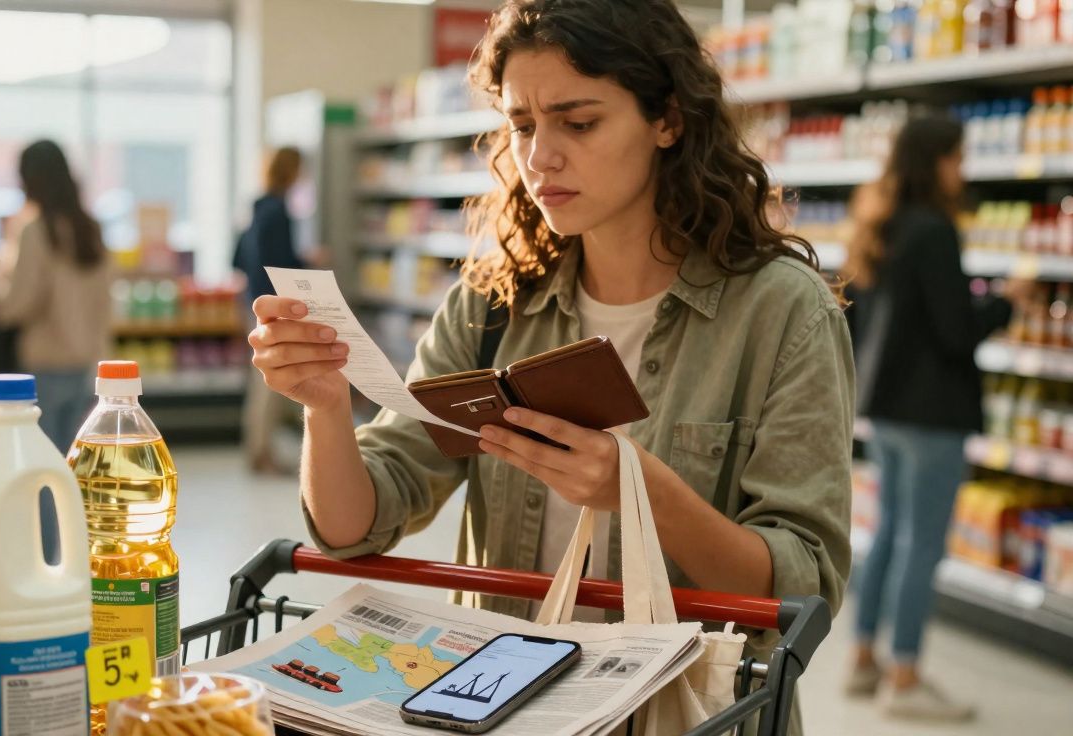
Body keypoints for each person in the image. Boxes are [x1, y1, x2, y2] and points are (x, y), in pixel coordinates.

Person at [250, 2, 853, 730]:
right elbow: (354, 527)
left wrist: (641, 490)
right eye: (523, 125)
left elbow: (800, 586)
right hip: (501, 709)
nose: (540, 158)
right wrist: (324, 407)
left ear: (668, 119)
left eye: (580, 122)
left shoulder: (782, 313)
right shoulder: (494, 303)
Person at [843, 116, 1019, 721]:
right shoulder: (934, 230)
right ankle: (906, 676)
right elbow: (955, 331)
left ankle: (863, 658)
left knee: (889, 534)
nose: (961, 171)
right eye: (957, 159)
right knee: (921, 546)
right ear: (935, 161)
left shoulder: (881, 223)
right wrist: (1006, 303)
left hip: (887, 409)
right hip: (933, 414)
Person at [0, 140, 114, 452]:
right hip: (89, 361)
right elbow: (104, 301)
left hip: (46, 360)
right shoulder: (90, 229)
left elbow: (18, 305)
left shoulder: (36, 231)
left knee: (44, 458)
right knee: (76, 457)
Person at [234, 147, 307, 474]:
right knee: (272, 383)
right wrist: (308, 263)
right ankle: (263, 454)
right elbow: (282, 265)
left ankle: (257, 449)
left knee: (259, 380)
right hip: (274, 307)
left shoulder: (256, 207)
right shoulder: (278, 211)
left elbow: (238, 258)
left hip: (252, 301)